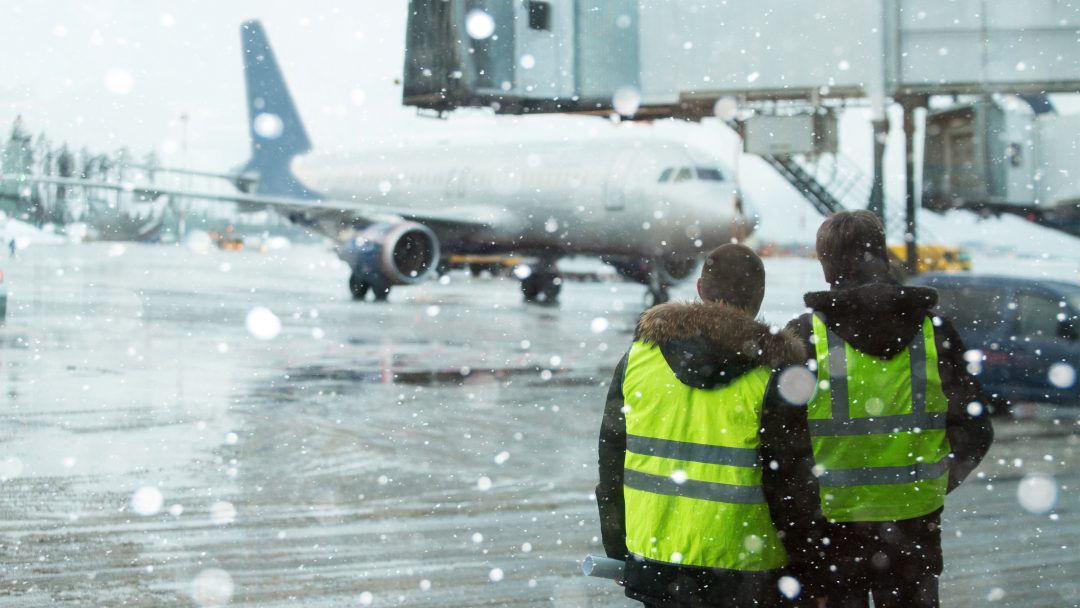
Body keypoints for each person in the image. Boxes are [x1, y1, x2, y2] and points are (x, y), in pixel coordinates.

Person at [760, 210, 995, 607]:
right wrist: (932, 484)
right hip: (914, 533)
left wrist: (805, 512)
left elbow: (776, 445)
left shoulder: (805, 337)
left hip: (830, 537)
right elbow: (975, 430)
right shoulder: (935, 332)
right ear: (882, 258)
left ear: (826, 265)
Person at [597, 243, 807, 607]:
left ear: (699, 289)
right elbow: (790, 484)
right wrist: (805, 565)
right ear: (758, 298)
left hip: (655, 556)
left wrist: (619, 548)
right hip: (745, 565)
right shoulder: (775, 375)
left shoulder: (637, 360)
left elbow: (611, 464)